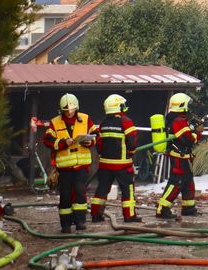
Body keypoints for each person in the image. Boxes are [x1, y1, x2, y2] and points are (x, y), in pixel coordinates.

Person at [43, 93, 96, 233]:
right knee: (65, 195)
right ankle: (65, 225)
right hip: (64, 167)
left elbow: (95, 134)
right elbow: (47, 140)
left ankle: (80, 221)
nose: (69, 113)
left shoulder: (85, 119)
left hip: (81, 166)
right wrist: (62, 143)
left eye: (72, 110)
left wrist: (90, 142)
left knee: (80, 192)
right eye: (66, 111)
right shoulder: (55, 122)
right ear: (61, 110)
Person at [90, 94, 141, 224]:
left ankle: (96, 215)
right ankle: (129, 216)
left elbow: (99, 144)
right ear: (119, 106)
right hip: (122, 165)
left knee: (102, 189)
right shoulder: (126, 121)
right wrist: (131, 152)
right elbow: (132, 141)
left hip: (105, 164)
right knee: (127, 190)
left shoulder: (103, 123)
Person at [156, 92, 203, 219]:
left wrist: (192, 127)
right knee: (176, 183)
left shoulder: (178, 120)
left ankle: (189, 208)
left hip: (183, 157)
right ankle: (162, 209)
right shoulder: (179, 121)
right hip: (179, 159)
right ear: (183, 105)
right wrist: (197, 133)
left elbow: (185, 135)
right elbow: (188, 140)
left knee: (188, 183)